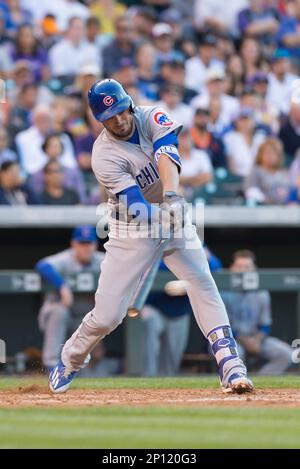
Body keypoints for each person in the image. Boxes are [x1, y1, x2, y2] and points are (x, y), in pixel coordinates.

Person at [49, 78, 253, 394]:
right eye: (108, 117)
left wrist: (171, 197)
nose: (118, 120)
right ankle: (70, 358)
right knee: (107, 317)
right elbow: (136, 206)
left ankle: (231, 365)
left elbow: (167, 155)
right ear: (99, 120)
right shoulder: (103, 155)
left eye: (120, 111)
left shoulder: (152, 116)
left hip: (172, 212)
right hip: (131, 228)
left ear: (128, 103)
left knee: (201, 280)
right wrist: (161, 214)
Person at [141, 247, 222, 376]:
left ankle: (164, 386)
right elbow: (150, 266)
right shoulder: (159, 241)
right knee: (150, 321)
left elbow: (216, 267)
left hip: (180, 312)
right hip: (155, 305)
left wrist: (189, 281)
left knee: (173, 355)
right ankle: (147, 376)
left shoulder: (192, 242)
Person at [36, 226, 105, 370]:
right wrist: (62, 286)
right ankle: (51, 366)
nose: (85, 248)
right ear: (73, 244)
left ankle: (89, 370)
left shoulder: (101, 260)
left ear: (95, 245)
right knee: (59, 312)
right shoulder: (65, 258)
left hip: (82, 318)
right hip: (59, 314)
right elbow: (42, 265)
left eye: (89, 243)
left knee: (101, 316)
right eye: (81, 243)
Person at [221, 250, 292, 375]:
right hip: (230, 339)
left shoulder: (261, 293)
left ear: (254, 270)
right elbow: (223, 328)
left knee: (286, 354)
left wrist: (257, 340)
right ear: (231, 268)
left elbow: (265, 325)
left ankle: (260, 381)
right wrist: (245, 341)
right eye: (239, 267)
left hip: (256, 339)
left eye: (247, 267)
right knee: (237, 353)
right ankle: (239, 381)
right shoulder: (223, 292)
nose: (243, 271)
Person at [30, 132, 86, 204]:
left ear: (61, 149)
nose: (54, 150)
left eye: (57, 146)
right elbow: (35, 197)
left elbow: (81, 196)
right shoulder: (37, 175)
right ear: (45, 149)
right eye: (51, 146)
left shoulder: (73, 172)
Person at [48, 16, 99, 81]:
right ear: (69, 29)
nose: (79, 31)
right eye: (76, 28)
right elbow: (60, 75)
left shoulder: (92, 49)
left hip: (88, 86)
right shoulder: (58, 50)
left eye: (81, 28)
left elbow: (96, 72)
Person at [244, 138, 290, 205]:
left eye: (274, 153)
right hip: (262, 209)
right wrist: (265, 199)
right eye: (268, 153)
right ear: (260, 155)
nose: (271, 156)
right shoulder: (256, 171)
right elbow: (250, 191)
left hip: (284, 208)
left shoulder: (284, 172)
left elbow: (289, 190)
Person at [224, 108, 267, 177]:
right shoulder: (230, 138)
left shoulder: (260, 137)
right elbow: (230, 162)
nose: (245, 123)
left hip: (259, 176)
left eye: (247, 119)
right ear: (236, 122)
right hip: (239, 176)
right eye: (241, 120)